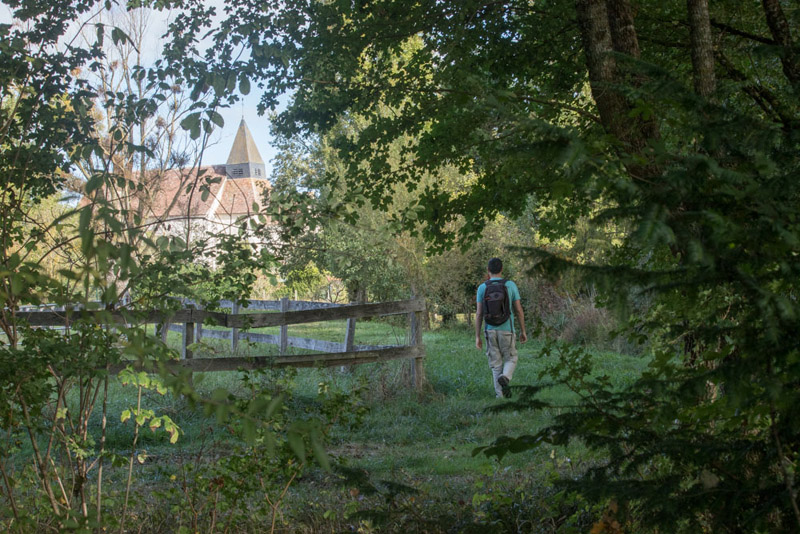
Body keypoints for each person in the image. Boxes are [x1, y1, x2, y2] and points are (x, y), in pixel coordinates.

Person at [475, 258, 528, 398]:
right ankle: (505, 377)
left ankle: (500, 397)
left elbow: (479, 313)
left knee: (496, 363)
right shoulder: (510, 285)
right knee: (511, 358)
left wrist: (477, 336)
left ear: (488, 270)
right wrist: (523, 330)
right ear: (502, 269)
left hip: (489, 330)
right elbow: (518, 310)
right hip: (507, 330)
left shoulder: (482, 288)